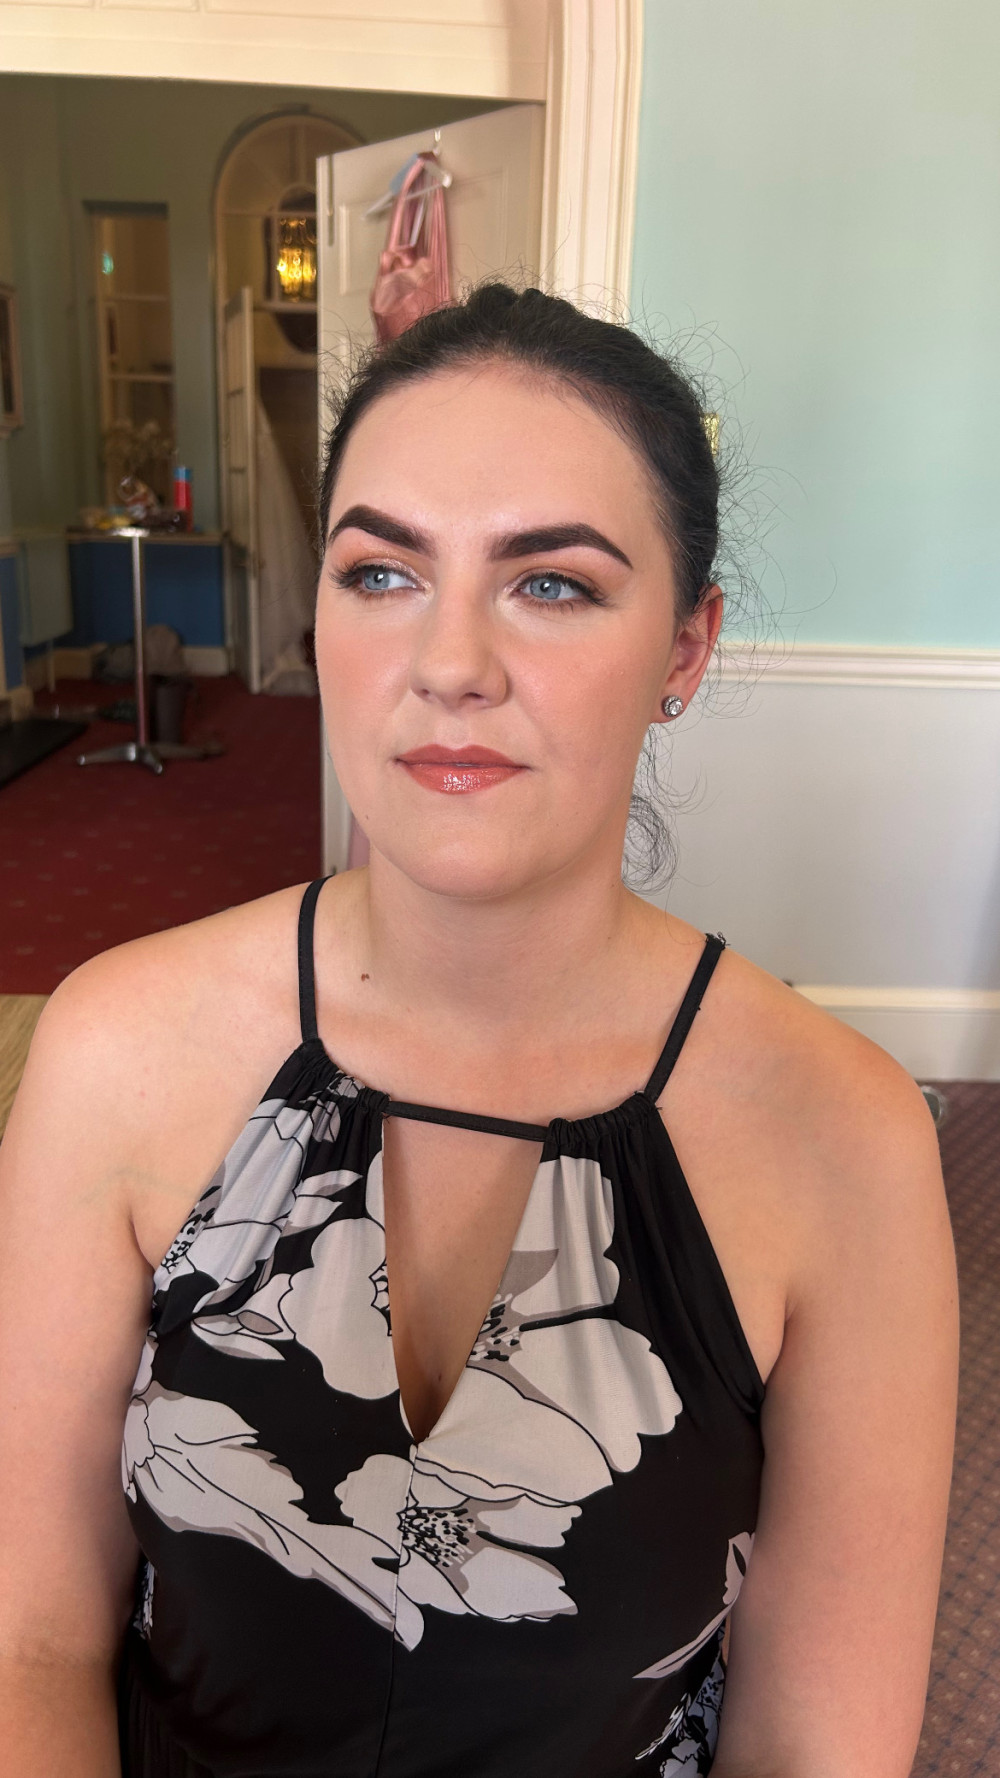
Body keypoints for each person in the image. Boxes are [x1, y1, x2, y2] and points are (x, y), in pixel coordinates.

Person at [0, 283, 957, 1778]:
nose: (449, 661)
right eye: (382, 572)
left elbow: (816, 1746)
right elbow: (31, 1644)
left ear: (685, 649)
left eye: (551, 584)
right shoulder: (115, 1046)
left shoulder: (843, 1139)